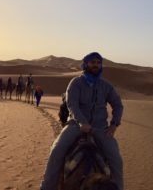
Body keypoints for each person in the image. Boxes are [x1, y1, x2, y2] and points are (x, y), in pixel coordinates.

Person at [40, 52, 124, 190]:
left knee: (116, 160)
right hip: (75, 125)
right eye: (92, 62)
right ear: (86, 64)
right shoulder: (76, 83)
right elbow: (72, 104)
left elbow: (118, 104)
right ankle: (46, 187)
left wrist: (114, 124)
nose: (96, 65)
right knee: (56, 150)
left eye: (98, 62)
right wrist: (81, 122)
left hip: (100, 128)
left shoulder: (106, 86)